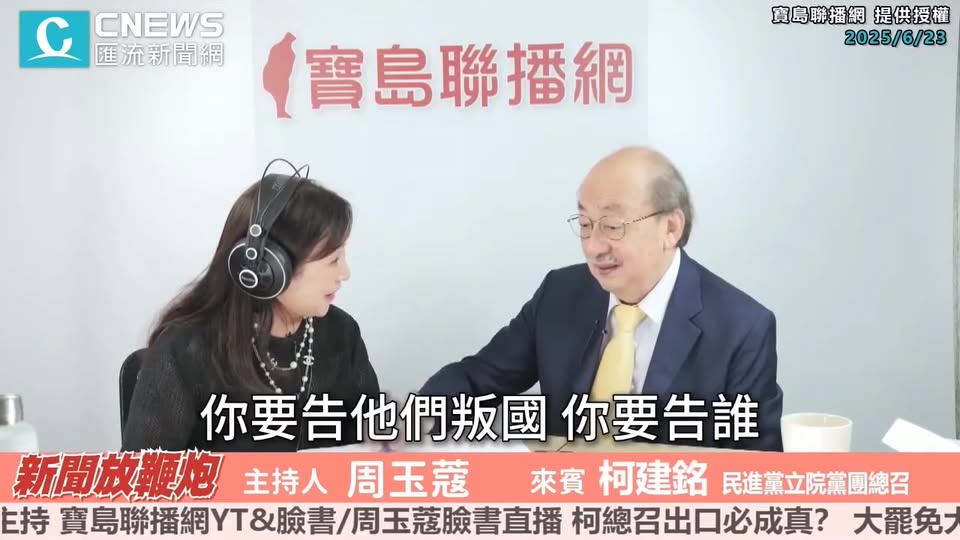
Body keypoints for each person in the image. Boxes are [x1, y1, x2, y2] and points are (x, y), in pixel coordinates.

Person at [420, 146, 783, 451]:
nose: (593, 246)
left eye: (612, 226)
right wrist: (415, 425)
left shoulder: (741, 328)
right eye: (584, 224)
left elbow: (755, 470)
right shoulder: (560, 293)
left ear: (671, 227)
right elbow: (476, 379)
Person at [121, 162, 380, 452]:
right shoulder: (187, 350)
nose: (345, 273)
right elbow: (143, 475)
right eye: (333, 260)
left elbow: (373, 446)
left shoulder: (341, 333)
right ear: (270, 266)